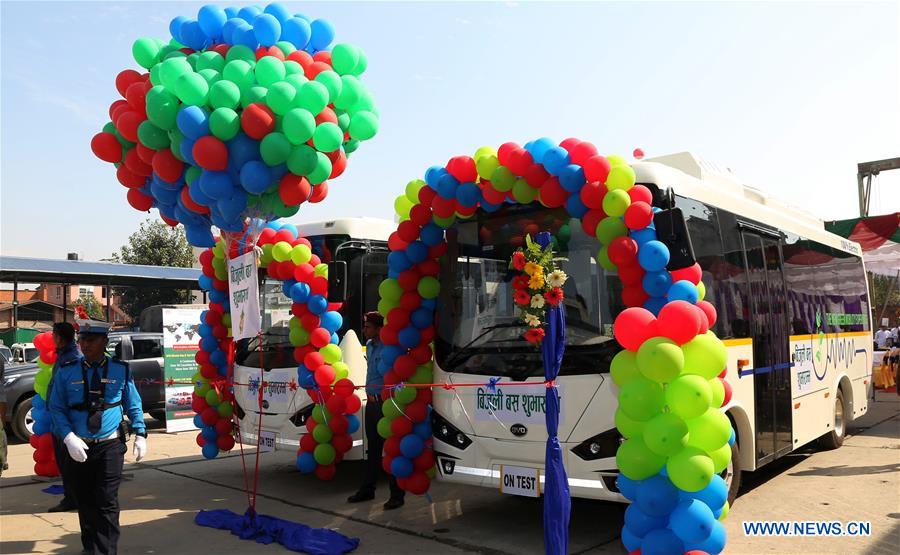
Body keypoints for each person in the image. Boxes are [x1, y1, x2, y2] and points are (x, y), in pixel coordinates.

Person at [48, 319, 147, 555]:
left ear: (104, 341)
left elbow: (133, 405)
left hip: (109, 445)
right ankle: (90, 548)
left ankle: (105, 551)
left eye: (90, 340)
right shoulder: (67, 369)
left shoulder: (120, 370)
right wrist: (69, 437)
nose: (84, 344)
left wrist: (141, 433)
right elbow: (57, 408)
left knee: (106, 501)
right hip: (77, 445)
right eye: (82, 339)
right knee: (85, 501)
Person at [347, 311, 405, 510]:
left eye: (368, 327)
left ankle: (397, 493)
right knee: (373, 449)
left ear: (380, 329)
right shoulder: (370, 346)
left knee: (391, 448)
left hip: (386, 403)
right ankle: (368, 488)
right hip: (371, 403)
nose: (365, 330)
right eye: (365, 326)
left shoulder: (389, 349)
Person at [48, 322, 82, 513]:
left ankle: (74, 499)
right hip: (58, 418)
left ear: (59, 337)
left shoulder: (71, 359)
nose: (52, 338)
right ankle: (71, 497)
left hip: (67, 420)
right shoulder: (63, 356)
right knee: (64, 462)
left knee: (69, 463)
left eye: (53, 334)